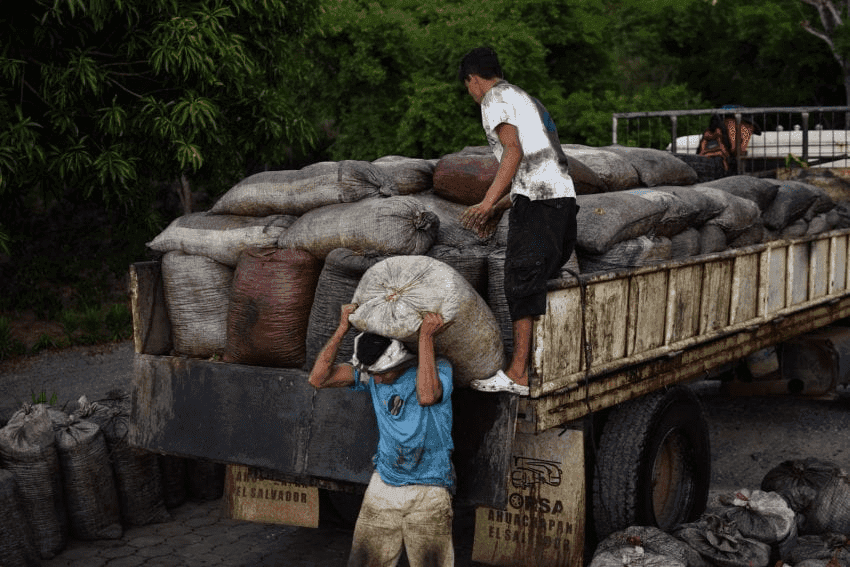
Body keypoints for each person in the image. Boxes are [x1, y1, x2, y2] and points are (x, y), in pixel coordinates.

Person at [458, 46, 579, 396]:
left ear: (474, 79)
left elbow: (513, 151)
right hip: (561, 202)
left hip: (541, 205)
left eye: (468, 85)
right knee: (535, 283)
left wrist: (486, 201)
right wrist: (502, 206)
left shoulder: (494, 98)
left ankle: (518, 374)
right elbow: (537, 169)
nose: (470, 93)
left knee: (520, 282)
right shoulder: (525, 100)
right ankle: (537, 366)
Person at [308, 303, 455, 567]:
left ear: (399, 360)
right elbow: (318, 378)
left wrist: (425, 336)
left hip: (429, 489)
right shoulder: (371, 376)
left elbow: (427, 395)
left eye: (381, 374)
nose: (375, 381)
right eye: (371, 374)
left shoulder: (439, 369)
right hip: (384, 484)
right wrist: (343, 328)